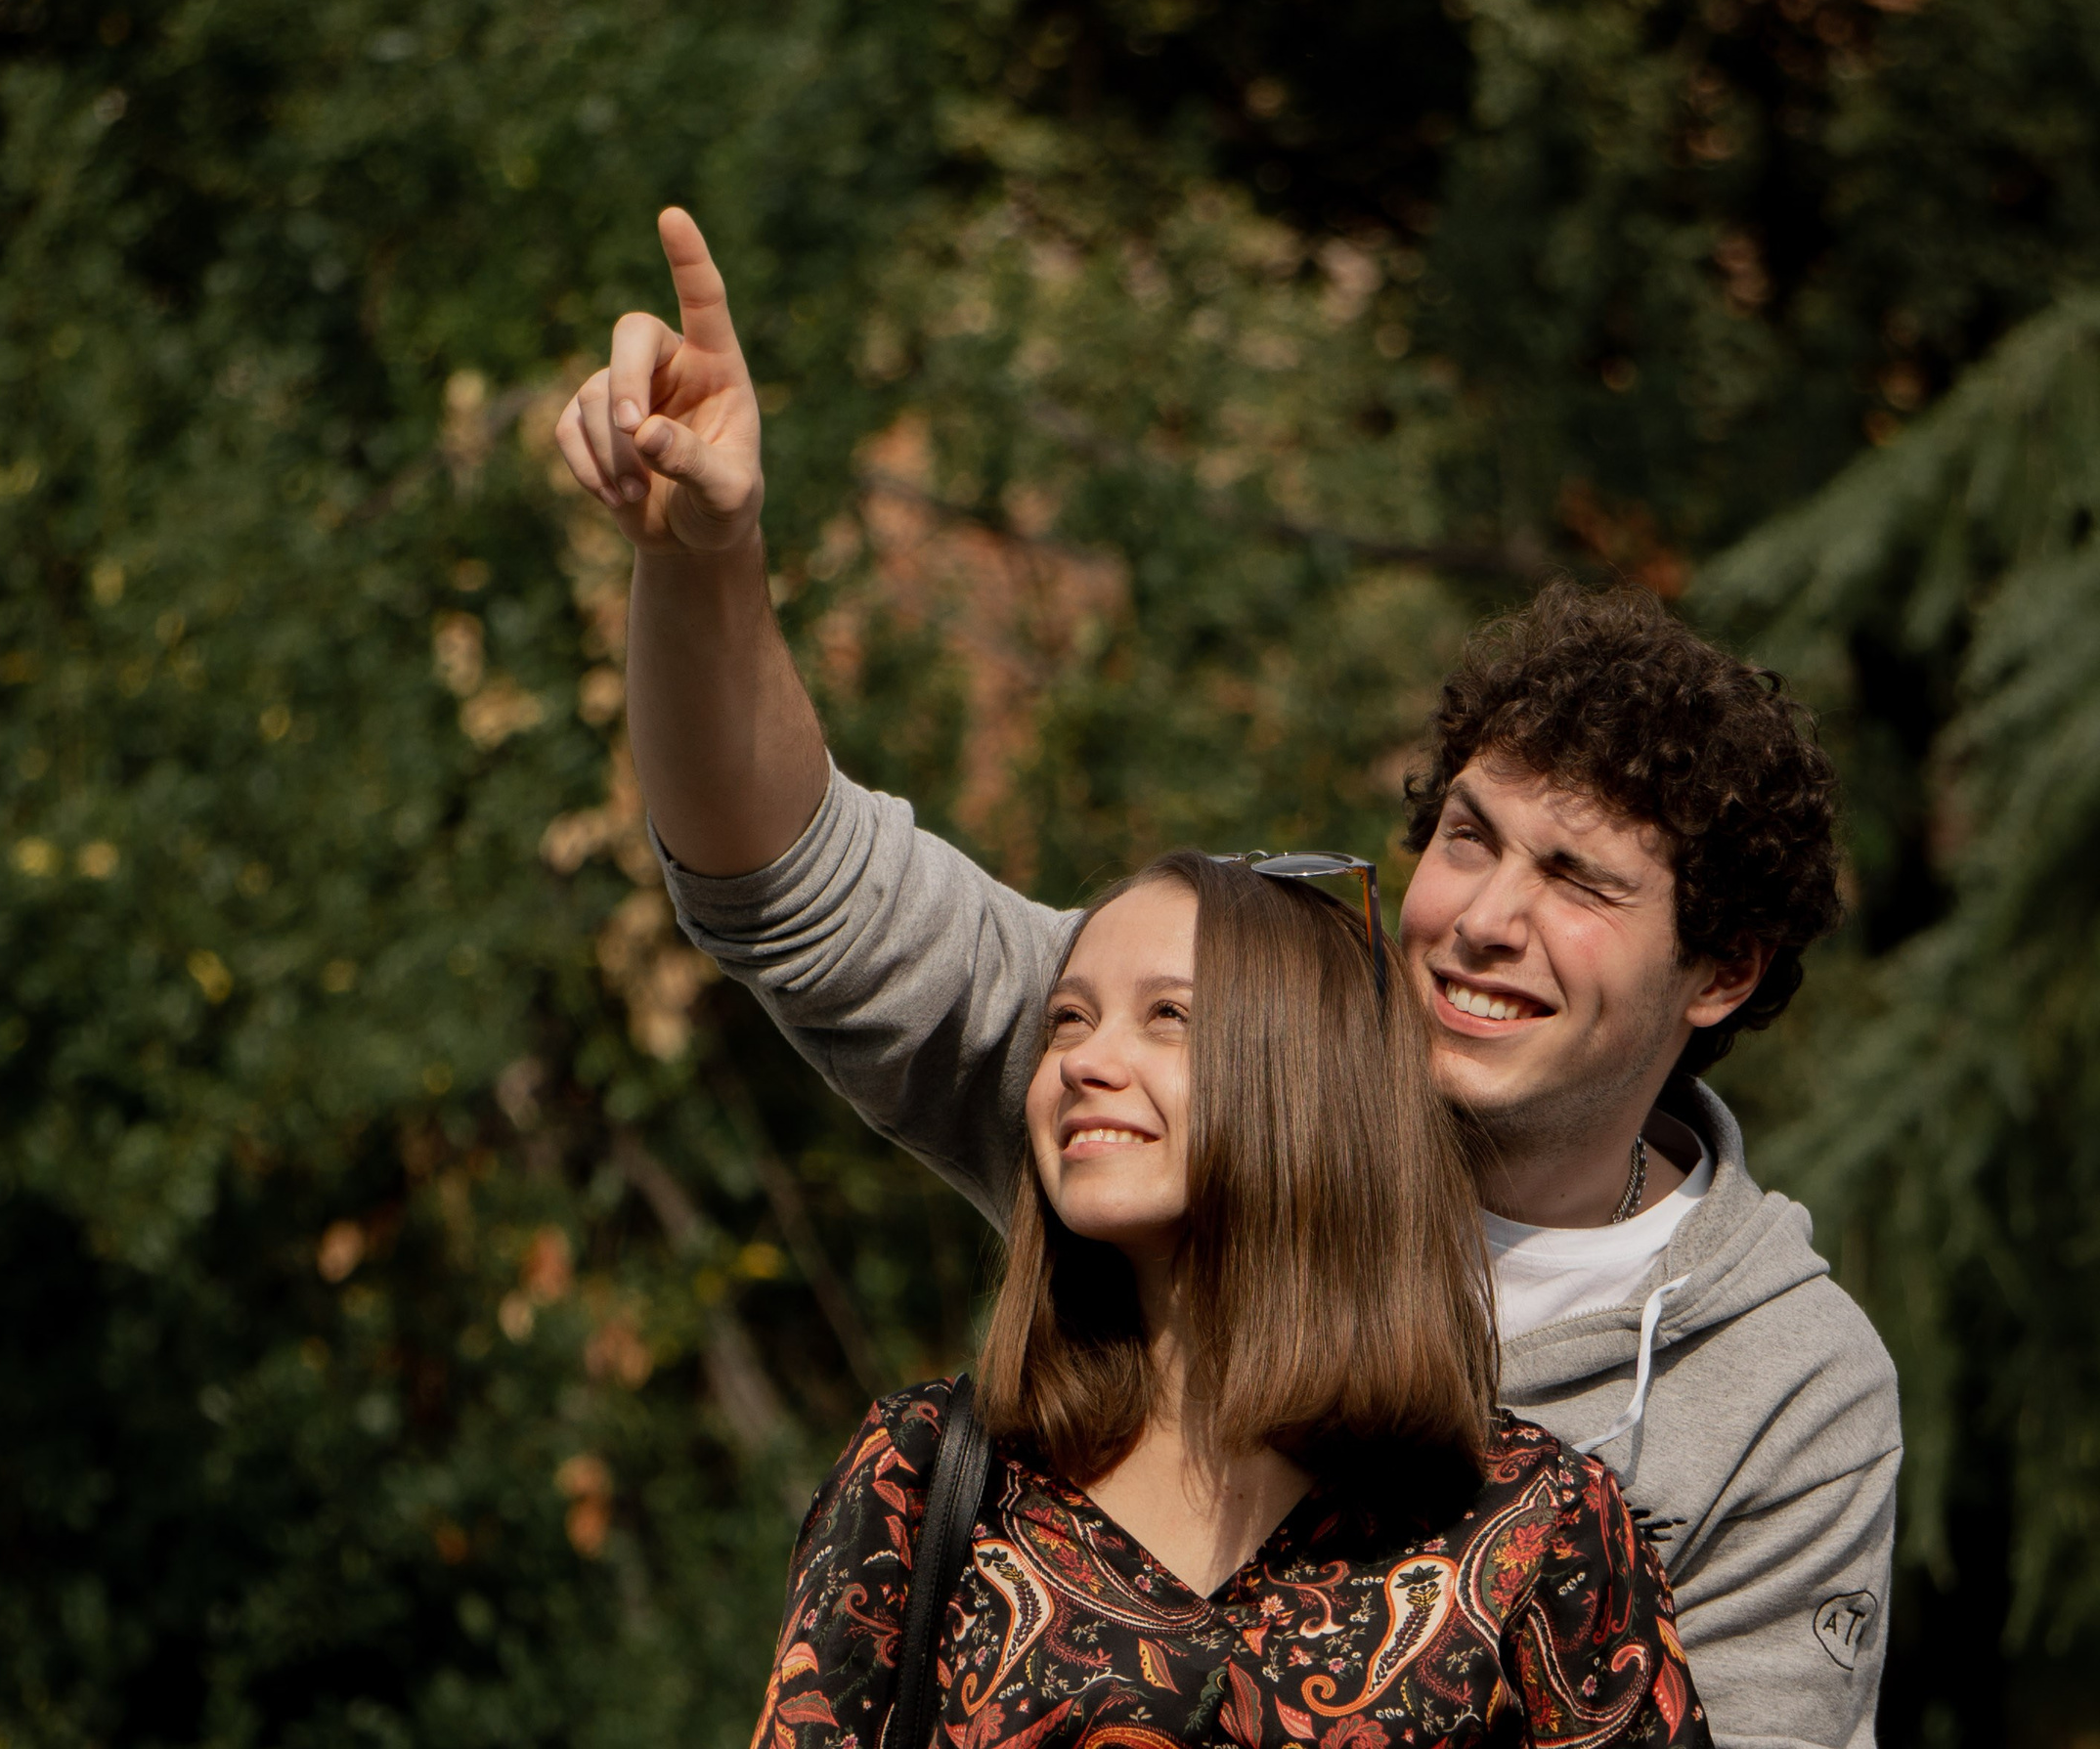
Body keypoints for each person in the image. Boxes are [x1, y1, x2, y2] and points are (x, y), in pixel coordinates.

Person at [554, 210, 1901, 1749]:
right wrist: (707, 561)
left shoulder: (1780, 1386)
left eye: (1579, 883)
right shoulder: (1179, 1075)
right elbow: (789, 884)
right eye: (1471, 839)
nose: (1485, 919)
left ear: (1720, 973)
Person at [757, 848, 1708, 1749]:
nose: (1085, 1061)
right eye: (1068, 1020)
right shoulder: (922, 1478)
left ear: (1316, 1080)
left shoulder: (1540, 1526)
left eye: (1168, 1015)